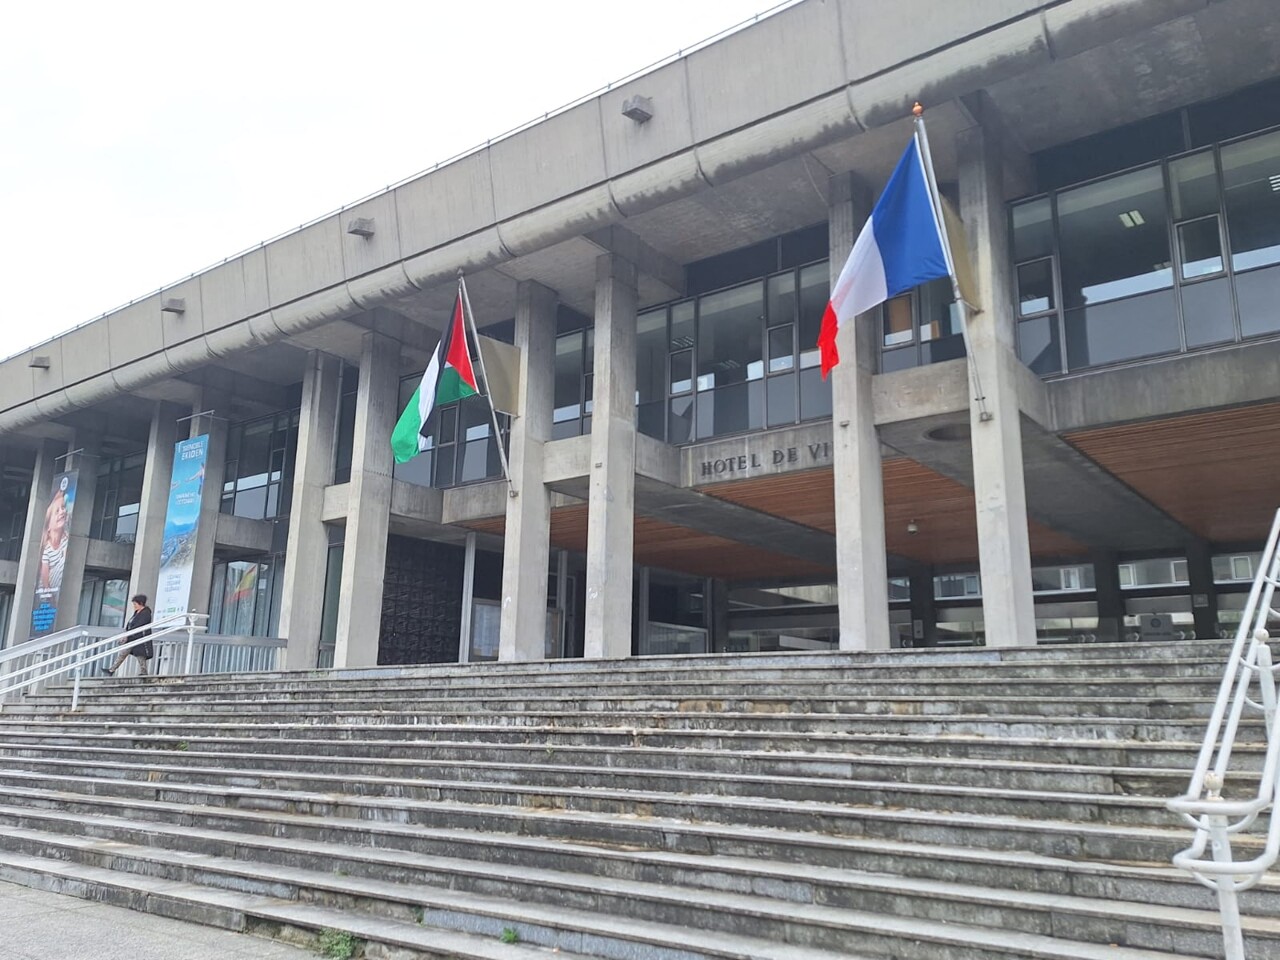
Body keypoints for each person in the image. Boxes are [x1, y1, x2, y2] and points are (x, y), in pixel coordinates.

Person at [105, 595, 154, 677]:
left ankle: (144, 671)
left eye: (135, 604)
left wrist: (129, 633)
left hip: (140, 637)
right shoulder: (137, 612)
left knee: (140, 655)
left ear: (141, 603)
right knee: (123, 653)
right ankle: (112, 669)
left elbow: (140, 624)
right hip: (132, 637)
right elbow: (131, 624)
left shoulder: (146, 613)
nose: (134, 606)